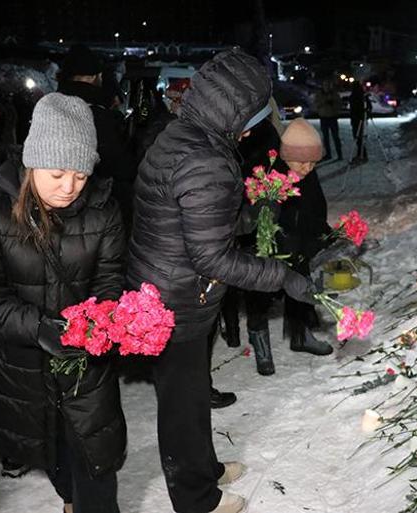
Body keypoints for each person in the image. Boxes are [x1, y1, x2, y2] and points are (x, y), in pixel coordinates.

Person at [127, 49, 318, 513]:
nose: (255, 124)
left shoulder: (182, 135)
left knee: (191, 392)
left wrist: (246, 215)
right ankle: (196, 499)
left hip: (164, 285)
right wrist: (282, 277)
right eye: (255, 111)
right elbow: (212, 257)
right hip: (177, 298)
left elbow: (190, 220)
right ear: (237, 108)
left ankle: (204, 468)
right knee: (182, 403)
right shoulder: (206, 157)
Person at [0, 93, 127, 513]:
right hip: (23, 365)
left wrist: (103, 321)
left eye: (81, 176)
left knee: (96, 461)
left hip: (85, 369)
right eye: (57, 173)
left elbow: (110, 280)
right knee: (52, 452)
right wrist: (37, 327)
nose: (69, 188)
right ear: (32, 163)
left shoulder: (103, 210)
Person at [246, 119, 335, 375]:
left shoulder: (308, 173)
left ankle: (301, 335)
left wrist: (324, 233)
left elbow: (315, 209)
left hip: (297, 243)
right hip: (269, 243)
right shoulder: (269, 174)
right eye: (302, 162)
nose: (308, 168)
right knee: (258, 292)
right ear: (287, 157)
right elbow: (258, 214)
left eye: (313, 162)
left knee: (302, 283)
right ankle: (260, 342)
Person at [58, 45, 137, 233]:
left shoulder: (52, 107)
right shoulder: (97, 113)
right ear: (94, 76)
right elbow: (117, 164)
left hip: (56, 206)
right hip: (94, 209)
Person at [314, 79, 343, 161]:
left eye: (328, 85)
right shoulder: (319, 94)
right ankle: (328, 154)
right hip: (324, 117)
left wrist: (333, 103)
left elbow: (339, 104)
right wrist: (324, 102)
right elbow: (316, 104)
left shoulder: (334, 94)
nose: (327, 87)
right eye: (325, 85)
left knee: (336, 137)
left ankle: (339, 154)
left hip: (332, 117)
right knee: (325, 137)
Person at [349, 81, 372, 164]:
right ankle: (360, 154)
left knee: (359, 138)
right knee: (358, 137)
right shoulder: (359, 95)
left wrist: (364, 113)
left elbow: (367, 107)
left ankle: (363, 154)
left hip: (358, 119)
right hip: (357, 119)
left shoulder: (359, 96)